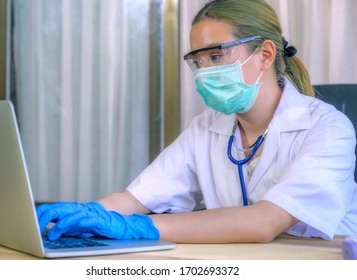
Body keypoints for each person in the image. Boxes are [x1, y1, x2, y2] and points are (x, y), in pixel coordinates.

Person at [37, 0, 357, 243]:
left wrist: (138, 226)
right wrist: (83, 215)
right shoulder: (207, 127)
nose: (204, 72)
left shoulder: (328, 128)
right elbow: (136, 199)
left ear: (265, 54)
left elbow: (264, 222)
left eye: (215, 56)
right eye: (197, 61)